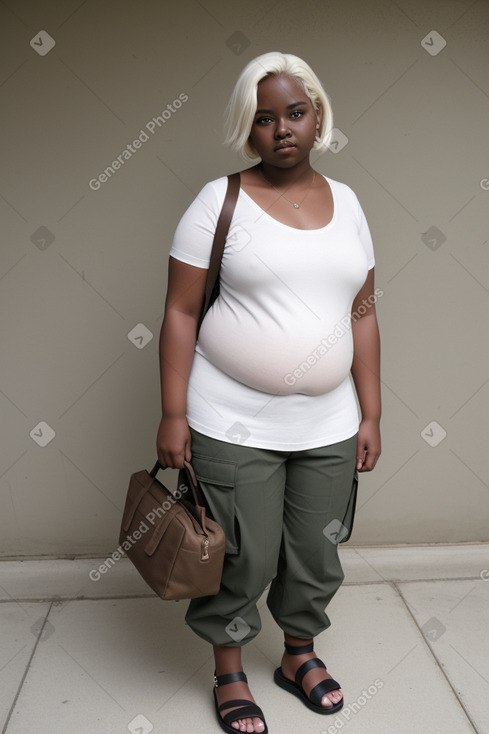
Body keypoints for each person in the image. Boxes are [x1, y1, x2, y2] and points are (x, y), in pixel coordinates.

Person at [156, 51, 381, 734]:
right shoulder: (216, 202)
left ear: (317, 118)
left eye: (294, 112)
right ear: (245, 130)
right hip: (232, 419)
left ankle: (297, 656)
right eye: (263, 118)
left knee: (316, 549)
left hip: (329, 421)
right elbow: (180, 313)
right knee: (240, 552)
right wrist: (172, 412)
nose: (281, 128)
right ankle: (228, 668)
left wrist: (371, 409)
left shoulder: (348, 204)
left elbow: (363, 312)